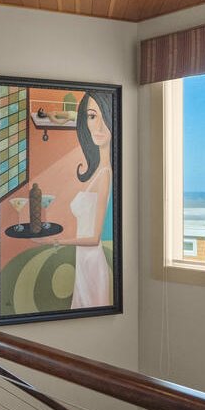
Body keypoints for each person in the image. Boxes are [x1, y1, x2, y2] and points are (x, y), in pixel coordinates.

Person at [51, 91, 115, 309]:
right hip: (84, 262)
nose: (99, 127)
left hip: (92, 263)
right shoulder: (98, 172)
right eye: (92, 116)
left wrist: (57, 241)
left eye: (105, 117)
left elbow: (94, 238)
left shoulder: (105, 175)